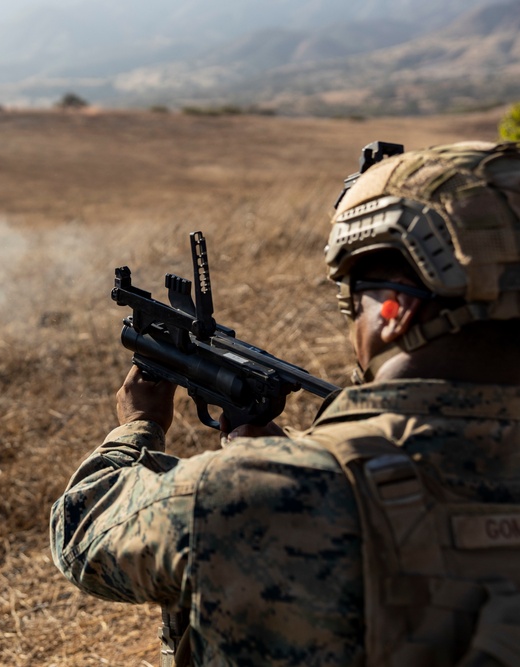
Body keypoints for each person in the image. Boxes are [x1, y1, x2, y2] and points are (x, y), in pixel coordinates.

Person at [49, 141, 520, 666]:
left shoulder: (257, 496)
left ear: (396, 311)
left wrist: (138, 427)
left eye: (354, 293)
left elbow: (81, 533)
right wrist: (296, 451)